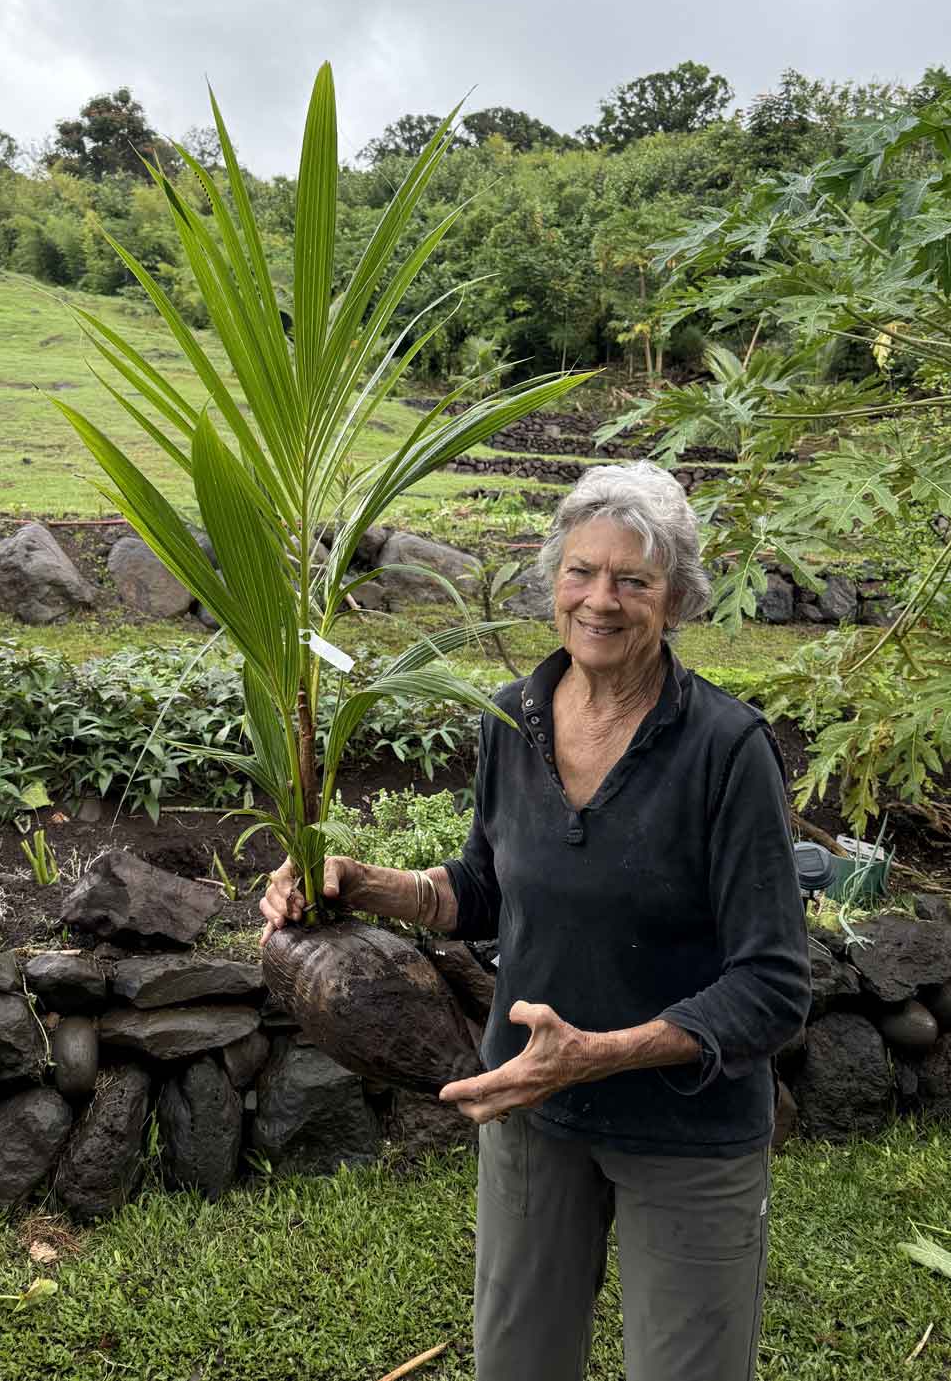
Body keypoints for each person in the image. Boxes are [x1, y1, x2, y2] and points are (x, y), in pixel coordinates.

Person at [260, 461, 811, 1381]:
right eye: (581, 571)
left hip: (687, 1133)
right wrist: (362, 882)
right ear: (553, 579)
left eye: (634, 579)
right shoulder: (512, 716)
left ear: (675, 597)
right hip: (531, 1109)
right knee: (517, 1361)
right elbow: (485, 887)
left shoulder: (728, 750)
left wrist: (599, 1051)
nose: (602, 599)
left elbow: (775, 984)